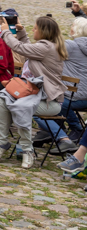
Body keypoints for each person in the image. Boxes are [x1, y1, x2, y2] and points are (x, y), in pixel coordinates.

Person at [0, 16, 69, 168]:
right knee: (2, 99)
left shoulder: (46, 48)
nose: (33, 29)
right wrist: (22, 33)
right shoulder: (46, 46)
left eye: (35, 27)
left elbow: (20, 48)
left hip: (49, 101)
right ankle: (1, 143)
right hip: (33, 95)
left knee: (21, 107)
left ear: (43, 32)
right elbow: (29, 51)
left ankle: (28, 151)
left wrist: (5, 31)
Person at [37, 17, 87, 152]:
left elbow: (46, 50)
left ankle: (71, 131)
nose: (70, 27)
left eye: (72, 25)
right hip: (81, 95)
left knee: (47, 103)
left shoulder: (70, 45)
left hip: (74, 96)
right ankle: (52, 131)